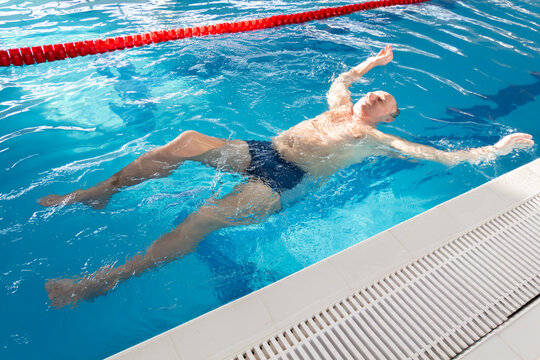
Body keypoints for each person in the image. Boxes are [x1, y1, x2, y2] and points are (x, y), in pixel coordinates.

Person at [39, 45, 534, 308]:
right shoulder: (343, 105)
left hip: (283, 182)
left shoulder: (378, 138)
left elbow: (442, 157)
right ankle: (97, 193)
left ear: (388, 118)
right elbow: (339, 81)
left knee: (202, 219)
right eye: (376, 92)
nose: (375, 96)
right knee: (186, 141)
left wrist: (499, 147)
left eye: (385, 102)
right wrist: (369, 65)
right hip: (263, 150)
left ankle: (98, 283)